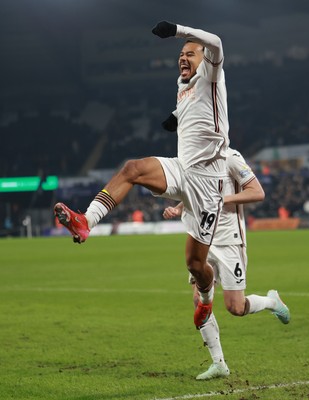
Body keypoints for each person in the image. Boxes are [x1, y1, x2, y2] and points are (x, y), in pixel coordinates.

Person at [54, 21, 230, 329]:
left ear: (204, 58)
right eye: (180, 54)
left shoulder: (212, 73)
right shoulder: (182, 87)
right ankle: (86, 222)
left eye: (190, 53)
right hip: (182, 168)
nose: (183, 58)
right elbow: (194, 109)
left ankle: (205, 296)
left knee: (195, 264)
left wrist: (178, 30)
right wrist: (175, 118)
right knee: (131, 168)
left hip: (207, 183)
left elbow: (215, 40)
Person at [163, 148, 291, 380]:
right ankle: (218, 363)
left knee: (236, 307)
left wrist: (223, 199)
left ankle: (272, 301)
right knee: (198, 299)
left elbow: (257, 192)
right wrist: (178, 207)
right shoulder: (193, 160)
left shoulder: (230, 157)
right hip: (203, 238)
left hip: (229, 241)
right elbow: (196, 195)